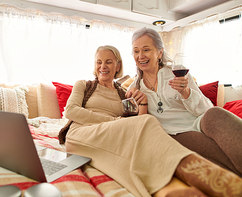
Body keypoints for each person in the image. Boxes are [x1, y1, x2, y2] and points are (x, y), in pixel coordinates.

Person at [61, 45, 242, 197]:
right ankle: (217, 181)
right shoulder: (84, 85)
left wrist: (143, 102)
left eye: (108, 61)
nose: (103, 66)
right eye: (99, 62)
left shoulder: (123, 93)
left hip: (110, 134)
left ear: (118, 66)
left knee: (147, 125)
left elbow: (138, 125)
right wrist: (112, 121)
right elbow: (71, 110)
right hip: (81, 132)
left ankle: (203, 184)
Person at [126, 27, 242, 178]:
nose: (140, 56)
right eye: (136, 51)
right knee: (212, 148)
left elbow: (206, 108)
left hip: (199, 122)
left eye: (146, 50)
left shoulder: (177, 71)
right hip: (174, 133)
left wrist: (186, 92)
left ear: (160, 52)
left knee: (215, 113)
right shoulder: (134, 88)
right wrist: (141, 104)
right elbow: (135, 127)